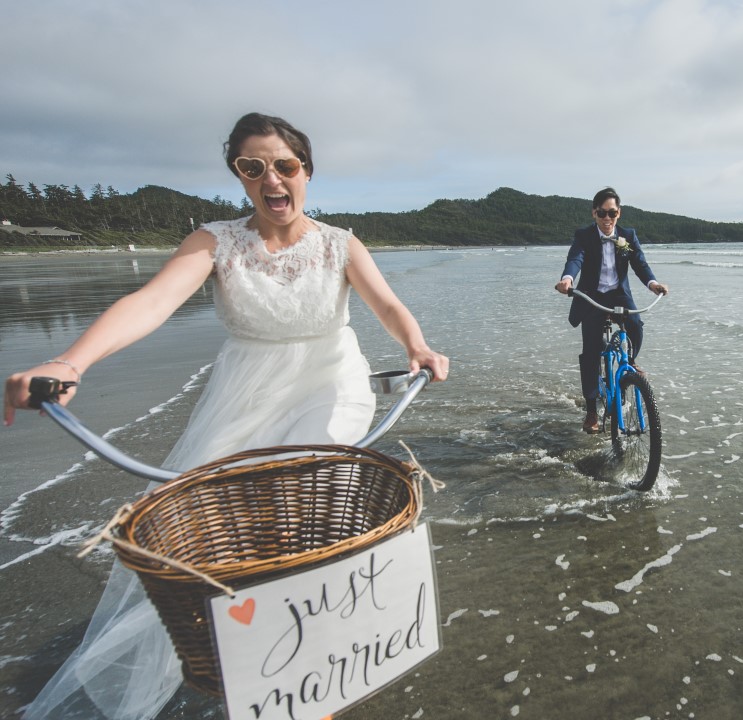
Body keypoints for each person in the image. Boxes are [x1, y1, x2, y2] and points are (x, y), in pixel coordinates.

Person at [4, 112, 449, 720]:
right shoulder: (214, 242)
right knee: (220, 530)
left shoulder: (340, 243)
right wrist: (71, 360)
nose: (272, 179)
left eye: (285, 165)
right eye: (253, 167)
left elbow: (389, 306)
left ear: (306, 171)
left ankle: (315, 675)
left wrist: (417, 346)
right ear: (239, 176)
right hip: (246, 390)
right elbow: (151, 301)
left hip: (332, 382)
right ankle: (263, 659)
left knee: (297, 496)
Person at [555, 187, 667, 434]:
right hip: (592, 297)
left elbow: (640, 264)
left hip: (618, 294)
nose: (607, 218)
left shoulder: (627, 235)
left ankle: (631, 362)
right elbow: (575, 259)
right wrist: (567, 279)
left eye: (612, 213)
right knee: (591, 352)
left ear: (619, 213)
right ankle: (591, 411)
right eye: (602, 213)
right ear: (594, 213)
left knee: (636, 325)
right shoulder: (584, 236)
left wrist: (653, 284)